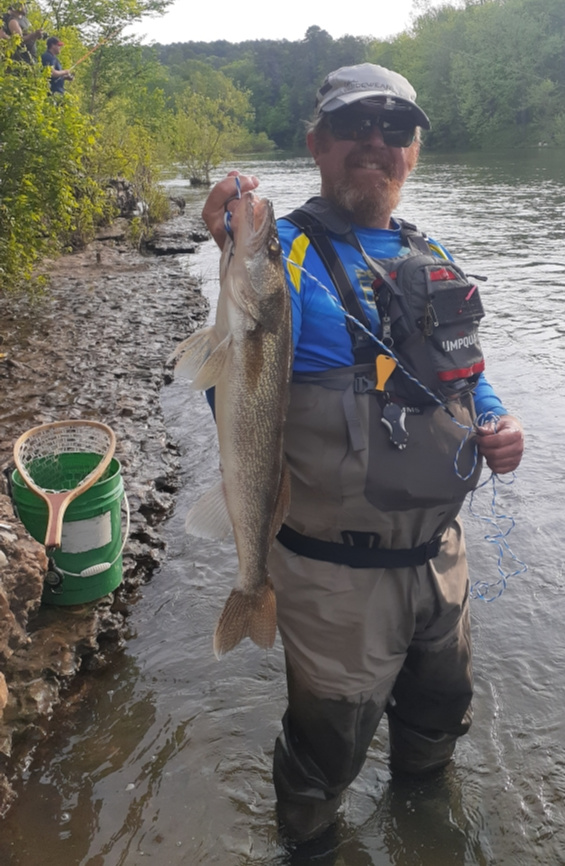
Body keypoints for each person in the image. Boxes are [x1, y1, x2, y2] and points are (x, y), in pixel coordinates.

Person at [201, 63, 524, 848]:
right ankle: (311, 846)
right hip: (332, 574)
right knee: (326, 751)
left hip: (439, 561)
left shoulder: (427, 247)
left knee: (437, 720)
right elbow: (231, 377)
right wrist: (226, 229)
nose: (374, 143)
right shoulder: (279, 249)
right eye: (353, 127)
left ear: (413, 151)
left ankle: (426, 827)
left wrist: (495, 418)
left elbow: (460, 368)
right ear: (316, 143)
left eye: (394, 129)